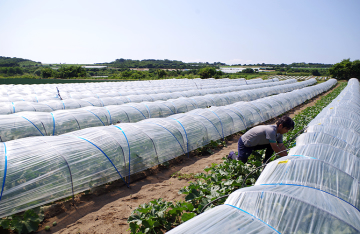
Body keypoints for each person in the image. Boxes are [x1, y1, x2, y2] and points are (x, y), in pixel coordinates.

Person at [228, 116, 294, 163]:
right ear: (280, 126)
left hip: (256, 143)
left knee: (271, 145)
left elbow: (281, 145)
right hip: (246, 143)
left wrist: (287, 156)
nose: (287, 131)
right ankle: (231, 154)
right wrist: (285, 156)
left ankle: (265, 162)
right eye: (286, 129)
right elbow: (275, 148)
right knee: (241, 162)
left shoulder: (279, 133)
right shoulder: (271, 131)